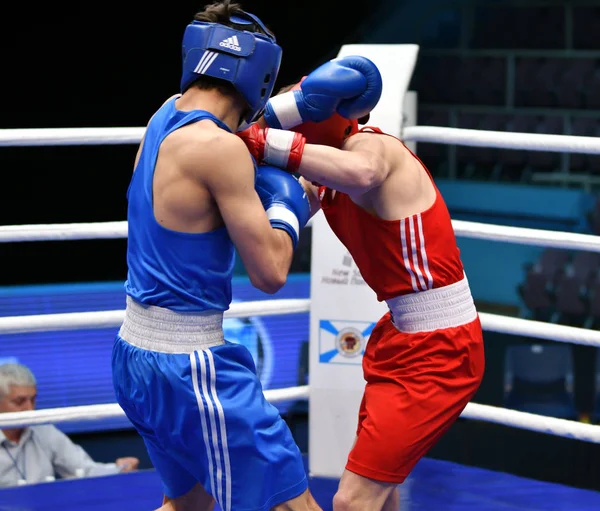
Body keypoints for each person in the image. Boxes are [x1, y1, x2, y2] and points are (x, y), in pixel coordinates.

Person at [110, 2, 379, 510]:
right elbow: (271, 272)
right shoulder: (221, 151)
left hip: (135, 354)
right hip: (192, 368)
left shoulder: (164, 114)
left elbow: (231, 132)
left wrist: (299, 102)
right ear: (261, 73)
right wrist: (291, 205)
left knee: (187, 504)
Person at [237, 69, 486, 511]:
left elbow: (363, 172)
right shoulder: (325, 175)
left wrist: (265, 144)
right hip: (401, 337)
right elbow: (288, 222)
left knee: (353, 500)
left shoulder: (373, 147)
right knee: (379, 488)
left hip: (440, 348)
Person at [0, 363, 139, 488]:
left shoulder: (44, 432)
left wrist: (119, 469)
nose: (30, 409)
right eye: (19, 401)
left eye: (33, 399)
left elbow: (84, 470)